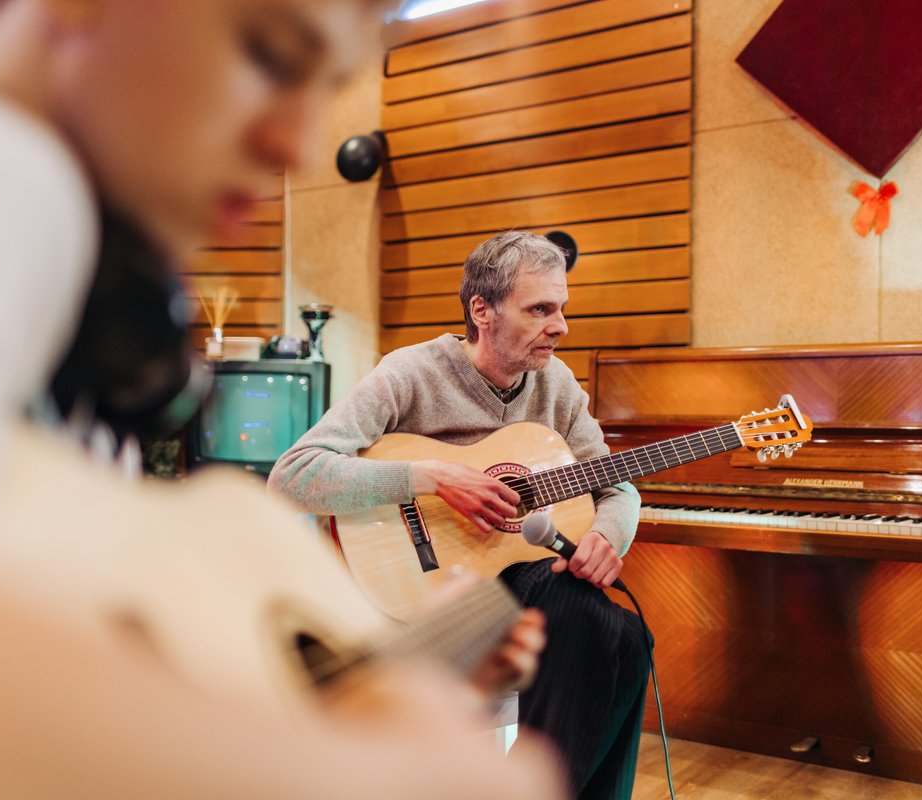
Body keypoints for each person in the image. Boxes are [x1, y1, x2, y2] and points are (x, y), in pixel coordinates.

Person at [0, 1, 565, 797]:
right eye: (271, 54)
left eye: (329, 87)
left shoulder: (72, 311)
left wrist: (395, 687)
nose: (298, 143)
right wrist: (379, 777)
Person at [270, 230, 653, 800]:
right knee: (591, 620)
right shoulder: (410, 372)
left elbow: (617, 488)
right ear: (483, 311)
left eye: (562, 308)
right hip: (434, 592)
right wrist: (429, 476)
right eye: (540, 309)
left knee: (631, 639)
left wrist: (606, 535)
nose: (561, 326)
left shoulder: (557, 384)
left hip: (519, 578)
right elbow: (293, 475)